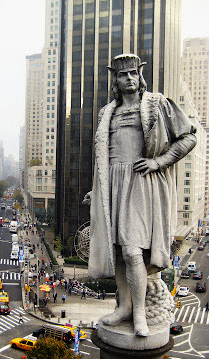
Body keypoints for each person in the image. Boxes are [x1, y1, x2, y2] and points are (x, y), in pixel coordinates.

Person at [83, 54, 197, 337]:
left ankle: (139, 313)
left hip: (142, 185)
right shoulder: (107, 112)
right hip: (114, 186)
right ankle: (123, 308)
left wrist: (158, 162)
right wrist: (97, 192)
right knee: (118, 252)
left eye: (134, 73)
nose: (129, 78)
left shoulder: (157, 104)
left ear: (139, 75)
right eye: (123, 75)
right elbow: (104, 157)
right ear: (116, 80)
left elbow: (189, 137)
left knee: (134, 251)